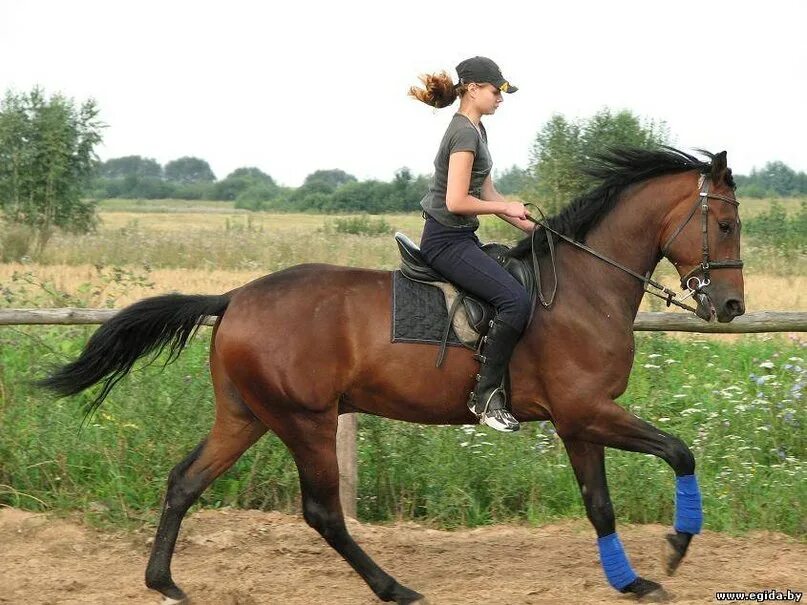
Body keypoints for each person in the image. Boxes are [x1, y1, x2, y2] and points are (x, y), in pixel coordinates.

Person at [408, 56, 534, 433]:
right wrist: (503, 206)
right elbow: (457, 201)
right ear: (474, 89)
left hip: (462, 236)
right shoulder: (463, 133)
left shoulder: (478, 132)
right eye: (497, 91)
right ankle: (486, 397)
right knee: (515, 301)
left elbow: (488, 191)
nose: (501, 98)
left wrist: (536, 229)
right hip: (445, 241)